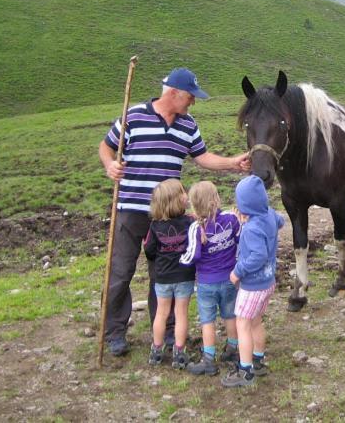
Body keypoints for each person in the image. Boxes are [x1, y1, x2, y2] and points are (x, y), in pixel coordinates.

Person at [98, 67, 249, 357]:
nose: (193, 102)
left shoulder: (188, 125)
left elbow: (202, 157)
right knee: (120, 272)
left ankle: (167, 332)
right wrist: (109, 165)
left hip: (168, 216)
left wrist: (233, 163)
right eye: (191, 97)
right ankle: (114, 332)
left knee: (165, 274)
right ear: (174, 93)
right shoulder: (135, 116)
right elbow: (106, 147)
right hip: (131, 210)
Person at [221, 175, 284, 388]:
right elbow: (280, 221)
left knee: (243, 324)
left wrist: (237, 272)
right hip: (268, 282)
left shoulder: (250, 229)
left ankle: (245, 370)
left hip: (252, 286)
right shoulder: (269, 215)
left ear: (244, 206)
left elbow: (258, 256)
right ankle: (258, 359)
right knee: (256, 321)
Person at [179, 181, 241, 376]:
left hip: (207, 283)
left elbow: (192, 256)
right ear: (217, 199)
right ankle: (232, 349)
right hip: (230, 278)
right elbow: (240, 240)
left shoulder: (195, 228)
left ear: (193, 205)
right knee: (230, 315)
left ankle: (208, 360)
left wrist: (181, 260)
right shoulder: (232, 219)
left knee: (207, 321)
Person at [142, 179, 194, 367]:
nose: (186, 195)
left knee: (161, 313)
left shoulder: (154, 226)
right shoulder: (190, 222)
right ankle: (179, 352)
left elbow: (148, 250)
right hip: (184, 276)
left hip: (162, 277)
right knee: (181, 314)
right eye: (183, 192)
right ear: (176, 200)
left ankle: (156, 350)